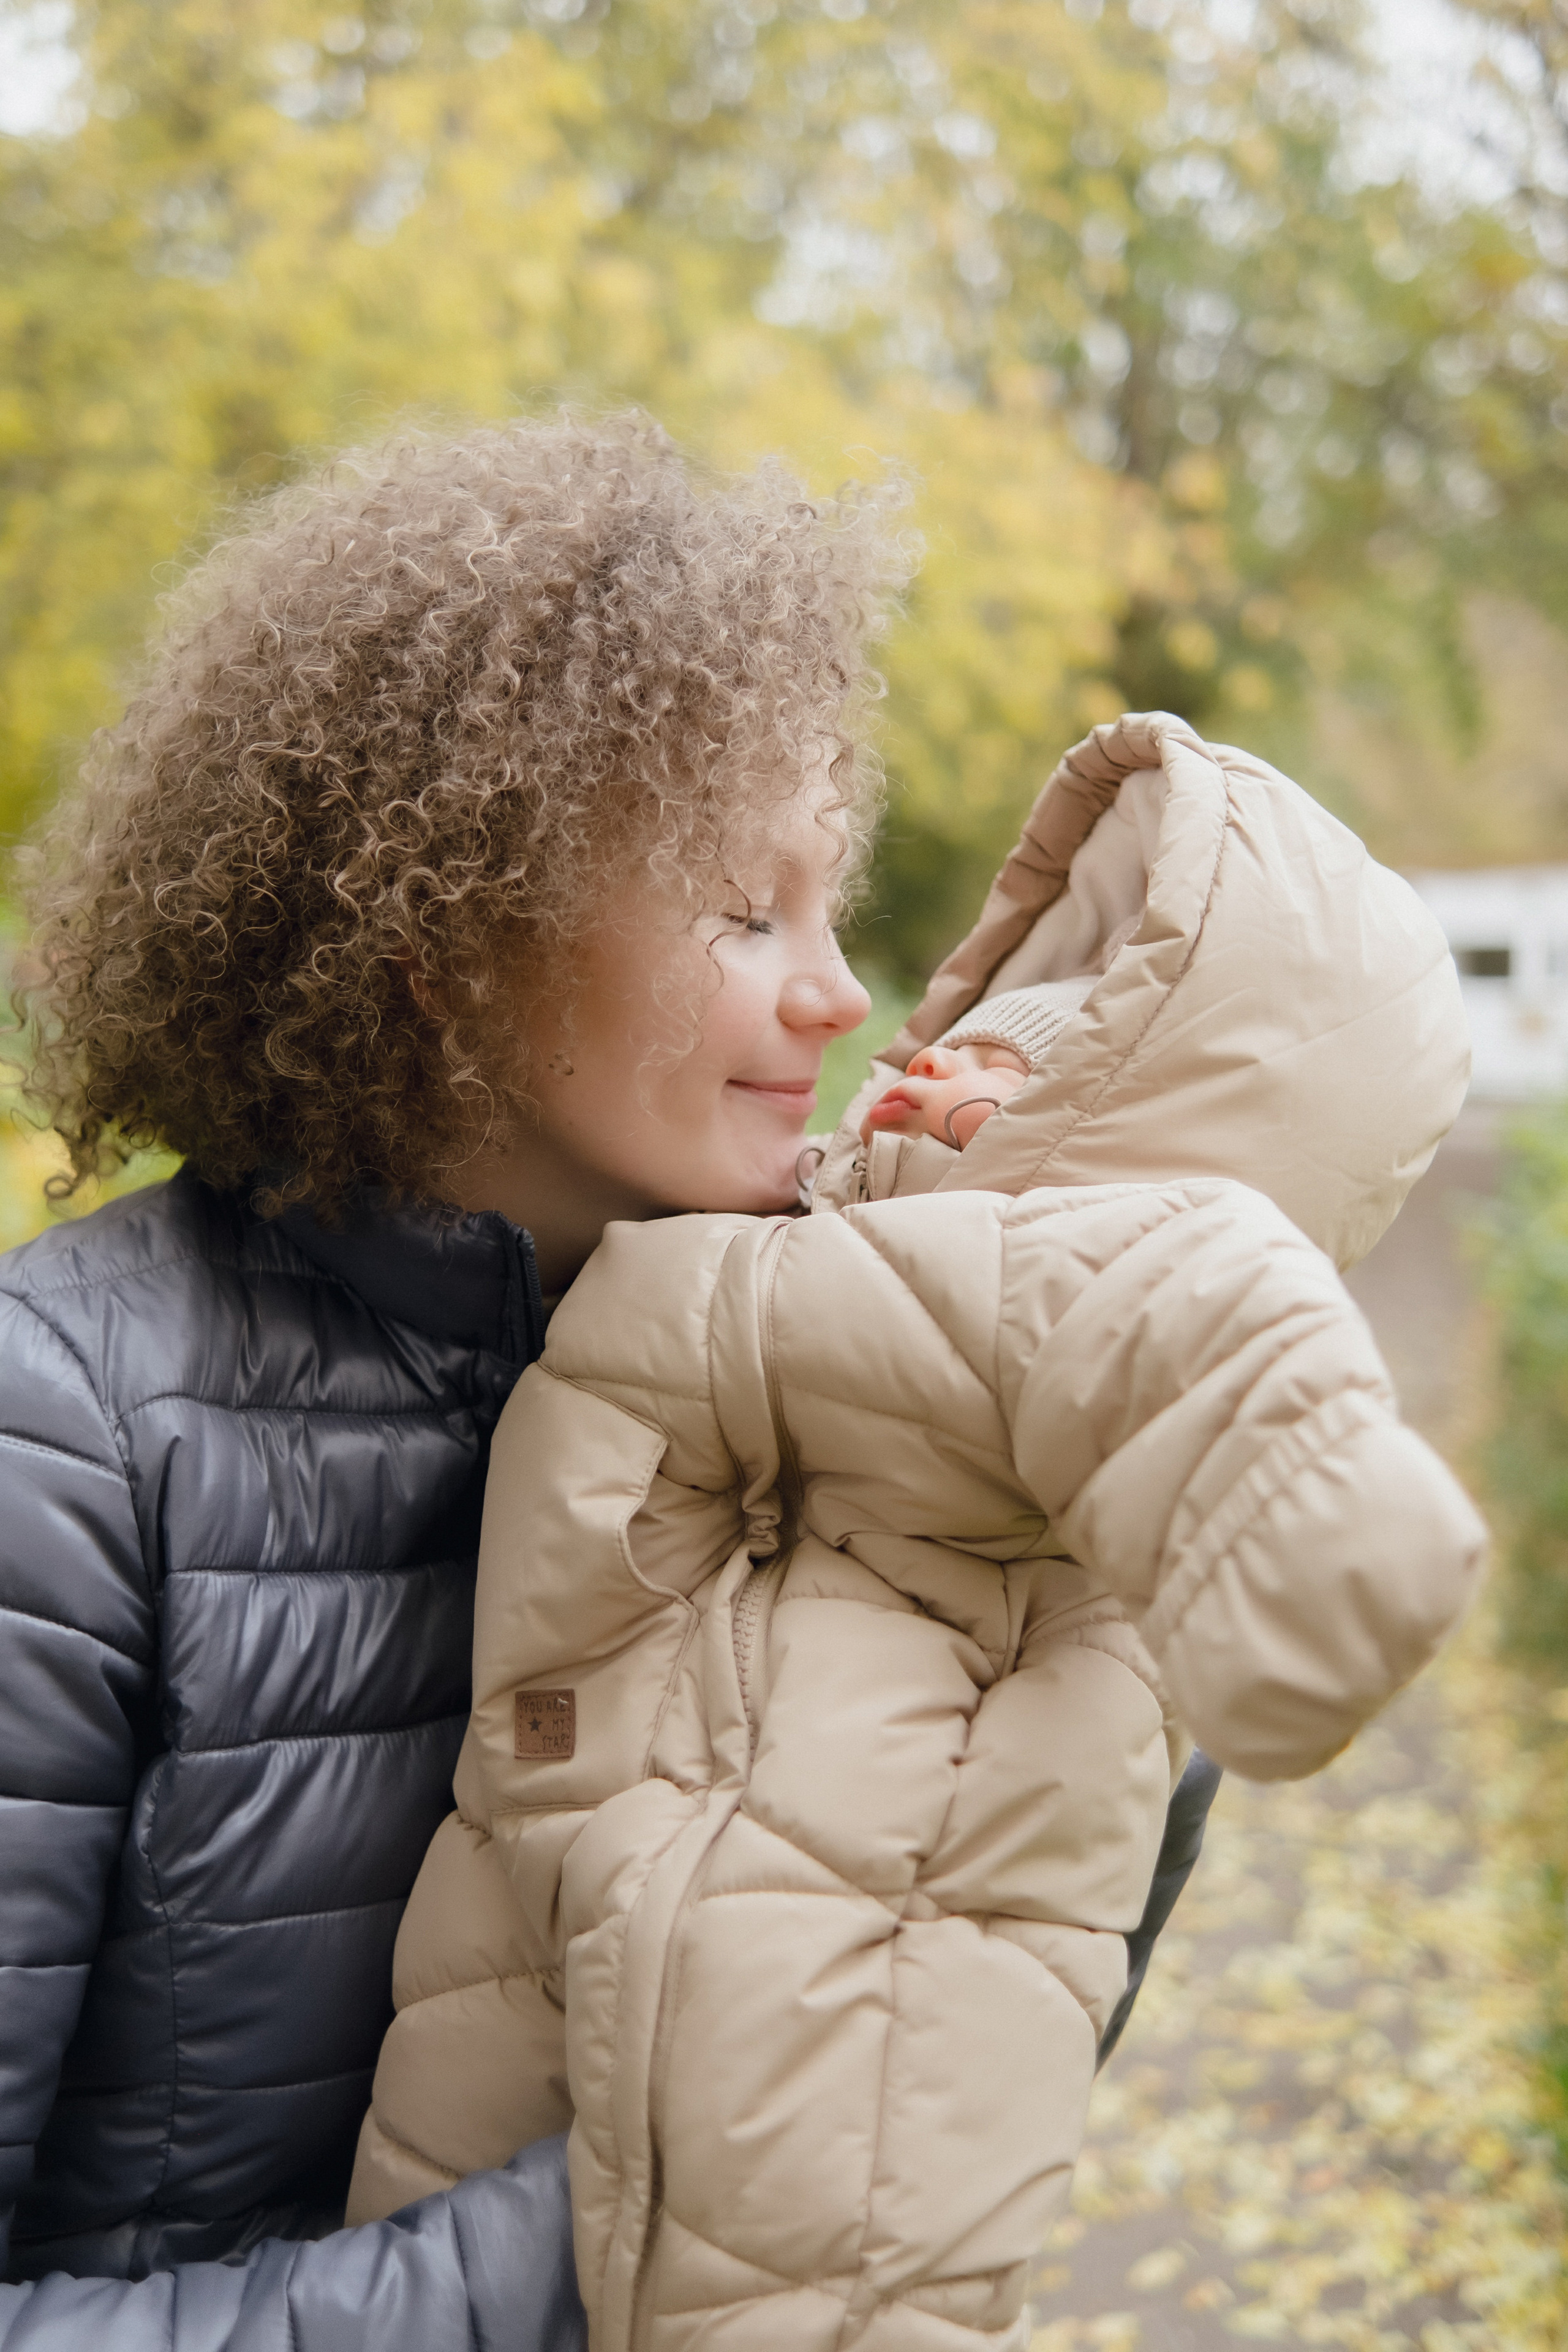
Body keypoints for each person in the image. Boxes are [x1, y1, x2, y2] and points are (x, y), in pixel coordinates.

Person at [344, 711, 1487, 2350]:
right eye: (946, 1049)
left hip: (827, 2016)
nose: (906, 1068)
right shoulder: (819, 1236)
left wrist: (1312, 1543)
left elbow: (1200, 1323)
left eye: (993, 1079)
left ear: (1107, 1142)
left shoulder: (1055, 1264)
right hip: (568, 1913)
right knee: (451, 2178)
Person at [0, 414, 900, 2347]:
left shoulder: (807, 1388)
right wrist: (611, 2245)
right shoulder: (58, 1441)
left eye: (829, 906)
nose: (836, 993)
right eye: (742, 910)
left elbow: (940, 2030)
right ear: (447, 938)